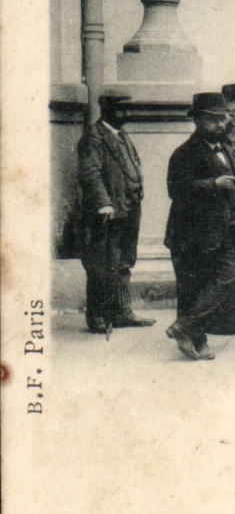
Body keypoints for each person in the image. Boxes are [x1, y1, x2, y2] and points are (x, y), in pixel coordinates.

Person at [163, 92, 235, 361]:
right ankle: (194, 341)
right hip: (192, 233)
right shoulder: (185, 153)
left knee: (229, 276)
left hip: (223, 231)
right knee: (193, 287)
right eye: (213, 120)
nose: (221, 124)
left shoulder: (226, 149)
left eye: (223, 119)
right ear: (198, 120)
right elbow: (176, 189)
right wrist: (214, 184)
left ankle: (186, 327)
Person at [76, 90, 154, 333]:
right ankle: (97, 315)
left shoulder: (121, 135)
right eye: (121, 109)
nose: (126, 113)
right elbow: (90, 173)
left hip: (129, 207)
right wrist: (104, 203)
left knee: (124, 261)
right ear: (106, 109)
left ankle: (121, 312)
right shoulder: (94, 137)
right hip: (109, 211)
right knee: (102, 264)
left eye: (127, 108)